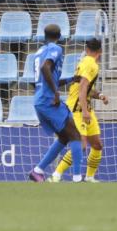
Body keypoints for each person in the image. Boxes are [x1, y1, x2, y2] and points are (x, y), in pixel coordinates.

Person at [28, 24, 85, 183]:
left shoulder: (38, 51)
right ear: (59, 36)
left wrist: (71, 80)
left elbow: (44, 77)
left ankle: (37, 171)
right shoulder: (57, 49)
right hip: (48, 100)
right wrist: (55, 92)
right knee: (75, 134)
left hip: (39, 100)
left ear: (44, 36)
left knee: (64, 136)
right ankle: (77, 178)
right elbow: (45, 68)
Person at [50, 38, 108, 183]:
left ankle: (89, 177)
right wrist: (85, 112)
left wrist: (99, 95)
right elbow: (82, 88)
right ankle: (56, 175)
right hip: (77, 110)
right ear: (100, 51)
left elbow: (86, 88)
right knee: (80, 145)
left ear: (86, 49)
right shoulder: (90, 64)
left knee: (97, 145)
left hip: (85, 107)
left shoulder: (86, 62)